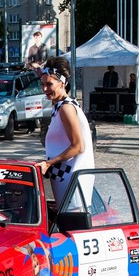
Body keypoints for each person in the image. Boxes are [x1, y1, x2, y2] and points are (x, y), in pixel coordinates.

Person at [37, 57, 94, 208]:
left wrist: (48, 163)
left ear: (62, 83)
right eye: (42, 84)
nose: (44, 89)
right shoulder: (60, 106)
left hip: (72, 177)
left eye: (49, 84)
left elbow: (78, 146)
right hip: (64, 176)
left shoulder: (66, 108)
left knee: (73, 221)